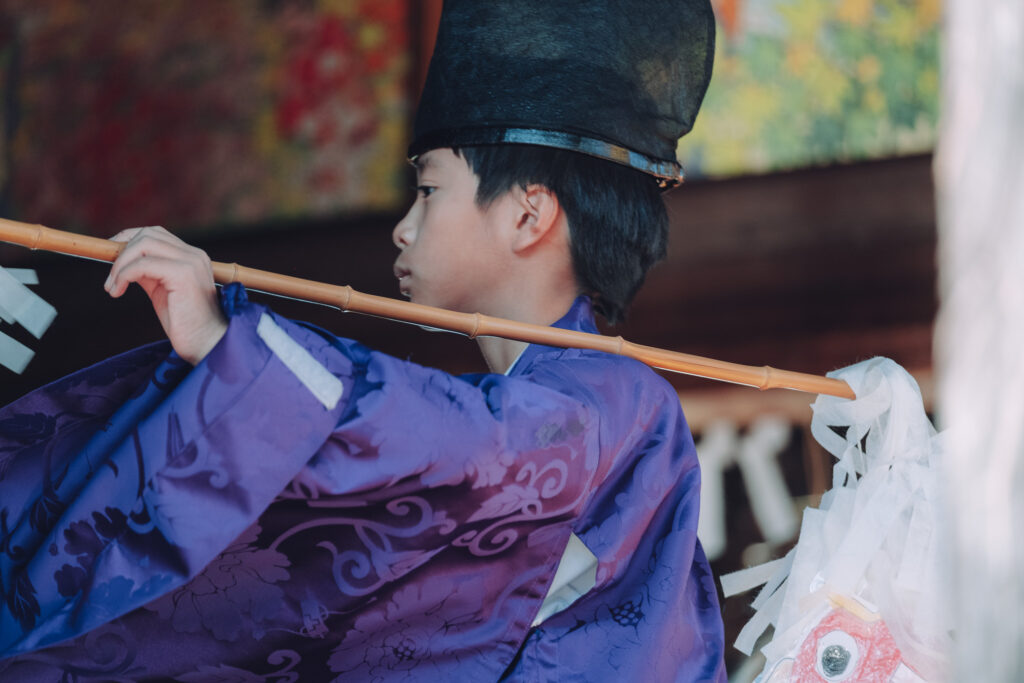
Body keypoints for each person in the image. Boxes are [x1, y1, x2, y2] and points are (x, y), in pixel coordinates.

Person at [0, 0, 725, 679]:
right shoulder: (568, 405)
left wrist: (231, 350)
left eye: (429, 190)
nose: (403, 228)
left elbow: (465, 447)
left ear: (527, 215)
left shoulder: (621, 403)